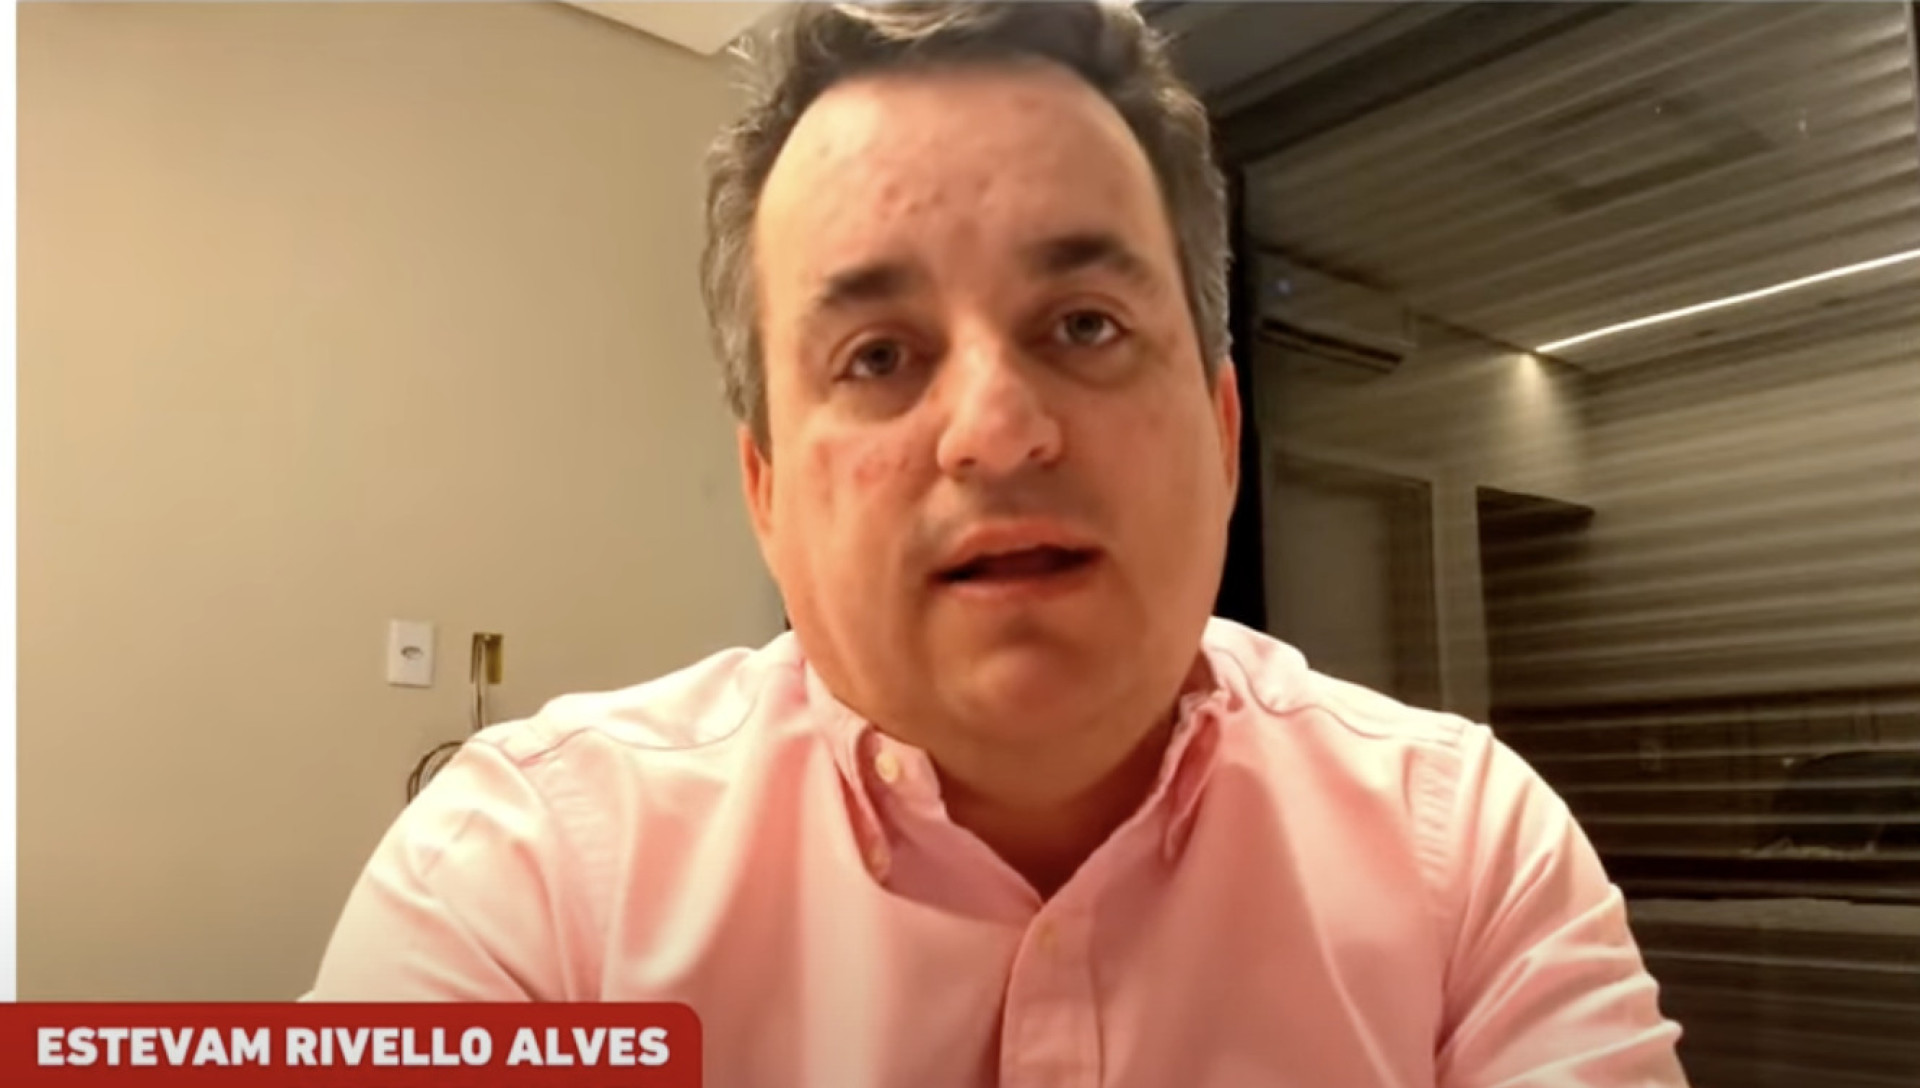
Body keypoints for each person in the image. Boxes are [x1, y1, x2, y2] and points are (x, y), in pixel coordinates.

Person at [308, 3, 1690, 1085]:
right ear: (766, 492)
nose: (997, 430)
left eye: (1085, 325)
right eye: (878, 355)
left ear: (1222, 435)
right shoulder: (527, 881)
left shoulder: (1468, 858)